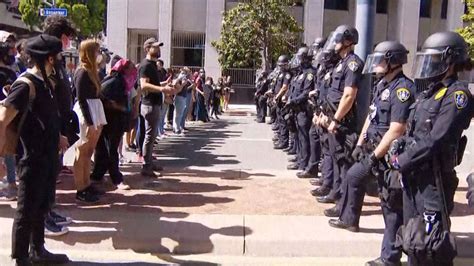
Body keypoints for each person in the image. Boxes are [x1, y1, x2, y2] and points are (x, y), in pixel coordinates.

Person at [328, 41, 414, 266]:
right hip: (372, 148)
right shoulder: (381, 86)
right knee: (355, 177)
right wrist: (360, 142)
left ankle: (390, 257)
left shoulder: (403, 90)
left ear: (393, 61)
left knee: (392, 206)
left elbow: (397, 128)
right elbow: (371, 116)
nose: (376, 65)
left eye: (381, 60)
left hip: (386, 155)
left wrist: (374, 155)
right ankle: (350, 220)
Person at [390, 31, 473, 266]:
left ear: (449, 60)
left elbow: (436, 140)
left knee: (432, 244)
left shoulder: (457, 95)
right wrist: (398, 148)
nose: (430, 65)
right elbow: (414, 131)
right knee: (413, 238)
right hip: (415, 176)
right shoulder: (431, 93)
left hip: (434, 181)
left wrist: (402, 159)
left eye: (434, 59)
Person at [0, 34, 70, 266]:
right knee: (26, 209)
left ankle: (38, 250)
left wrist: (58, 136)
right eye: (58, 56)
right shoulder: (25, 84)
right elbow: (2, 119)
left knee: (41, 205)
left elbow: (45, 116)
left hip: (47, 156)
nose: (60, 60)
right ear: (49, 58)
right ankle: (21, 257)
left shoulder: (45, 82)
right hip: (31, 159)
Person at [316, 25, 363, 214]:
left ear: (348, 41)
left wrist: (335, 119)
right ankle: (337, 196)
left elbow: (349, 96)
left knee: (344, 165)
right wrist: (324, 115)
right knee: (336, 160)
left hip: (343, 123)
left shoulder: (353, 64)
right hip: (332, 119)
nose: (334, 44)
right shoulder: (340, 63)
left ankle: (343, 207)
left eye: (338, 40)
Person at [42, 14, 77, 235]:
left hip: (59, 124)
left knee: (52, 173)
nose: (69, 43)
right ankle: (43, 219)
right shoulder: (46, 57)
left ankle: (49, 210)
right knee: (44, 175)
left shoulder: (58, 58)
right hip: (48, 127)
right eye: (67, 38)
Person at [91, 59, 137, 191]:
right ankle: (115, 178)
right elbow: (104, 99)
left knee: (106, 149)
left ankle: (98, 175)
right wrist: (120, 107)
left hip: (113, 121)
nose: (133, 71)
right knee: (110, 149)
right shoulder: (115, 82)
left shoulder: (121, 81)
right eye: (131, 68)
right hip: (111, 121)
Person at [72, 39, 107, 203]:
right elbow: (81, 99)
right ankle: (81, 188)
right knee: (82, 152)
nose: (99, 54)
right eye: (97, 51)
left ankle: (87, 184)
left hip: (95, 112)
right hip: (87, 114)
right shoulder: (82, 72)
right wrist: (90, 122)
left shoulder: (92, 71)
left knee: (88, 152)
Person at [138, 38, 175, 177]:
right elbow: (144, 85)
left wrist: (164, 83)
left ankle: (149, 164)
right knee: (149, 136)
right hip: (149, 105)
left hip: (153, 104)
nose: (158, 50)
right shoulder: (146, 65)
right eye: (155, 47)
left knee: (152, 136)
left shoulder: (152, 65)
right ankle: (146, 167)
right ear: (147, 48)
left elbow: (152, 82)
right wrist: (162, 89)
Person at [285, 47, 317, 174]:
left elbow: (306, 92)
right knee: (298, 136)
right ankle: (300, 160)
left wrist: (294, 101)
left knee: (304, 138)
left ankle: (305, 164)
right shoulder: (300, 73)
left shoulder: (309, 73)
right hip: (296, 110)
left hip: (304, 110)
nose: (297, 60)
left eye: (299, 57)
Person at [0, 30, 19, 202]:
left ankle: (10, 184)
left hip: (8, 116)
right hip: (5, 115)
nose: (12, 54)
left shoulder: (12, 73)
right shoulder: (9, 73)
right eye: (8, 51)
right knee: (7, 152)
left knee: (9, 152)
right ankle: (9, 184)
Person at [173, 67, 193, 134]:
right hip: (179, 96)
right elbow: (177, 86)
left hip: (183, 96)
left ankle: (177, 127)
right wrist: (183, 83)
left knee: (180, 113)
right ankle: (176, 128)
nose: (184, 74)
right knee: (178, 113)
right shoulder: (178, 78)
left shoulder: (185, 78)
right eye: (184, 72)